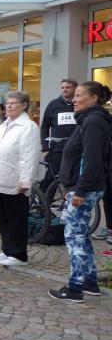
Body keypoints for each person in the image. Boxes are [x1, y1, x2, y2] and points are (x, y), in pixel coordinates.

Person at [49, 81, 112, 303]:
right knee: (81, 235)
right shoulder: (90, 119)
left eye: (78, 95)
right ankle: (89, 282)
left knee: (74, 237)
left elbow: (91, 159)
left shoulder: (93, 121)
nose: (74, 100)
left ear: (93, 98)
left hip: (82, 188)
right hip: (83, 186)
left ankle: (75, 287)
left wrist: (80, 190)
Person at [0, 92, 42, 268]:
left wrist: (26, 181)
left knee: (16, 218)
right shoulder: (3, 125)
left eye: (13, 103)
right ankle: (7, 250)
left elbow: (29, 155)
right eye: (7, 103)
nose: (9, 106)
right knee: (2, 217)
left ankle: (19, 254)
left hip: (15, 180)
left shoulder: (28, 126)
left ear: (24, 105)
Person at [40, 78, 78, 191]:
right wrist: (45, 147)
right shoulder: (53, 104)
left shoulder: (78, 105)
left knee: (73, 177)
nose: (64, 90)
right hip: (57, 149)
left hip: (76, 148)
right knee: (51, 178)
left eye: (68, 87)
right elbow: (44, 126)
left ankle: (69, 200)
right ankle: (42, 201)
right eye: (62, 87)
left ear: (75, 88)